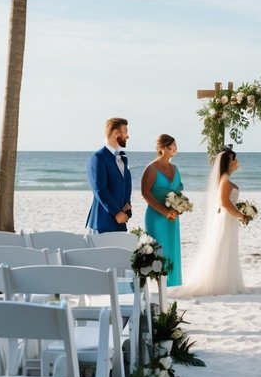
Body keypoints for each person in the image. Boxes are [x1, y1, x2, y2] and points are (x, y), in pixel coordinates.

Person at [178, 146, 249, 296]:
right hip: (225, 219)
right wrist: (241, 215)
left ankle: (226, 280)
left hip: (229, 219)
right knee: (222, 248)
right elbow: (225, 203)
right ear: (228, 162)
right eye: (234, 159)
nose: (237, 162)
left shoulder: (225, 180)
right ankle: (219, 283)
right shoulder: (224, 180)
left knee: (227, 249)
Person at [142, 134, 183, 286]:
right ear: (161, 148)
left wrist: (178, 209)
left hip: (172, 218)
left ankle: (172, 285)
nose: (174, 149)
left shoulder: (175, 169)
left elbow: (178, 193)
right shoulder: (151, 168)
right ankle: (157, 286)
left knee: (171, 248)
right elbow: (145, 193)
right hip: (156, 216)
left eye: (175, 146)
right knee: (158, 251)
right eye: (170, 146)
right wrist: (164, 212)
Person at [86, 117, 132, 232]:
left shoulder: (122, 159)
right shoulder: (98, 157)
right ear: (116, 133)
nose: (127, 136)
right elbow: (99, 189)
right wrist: (117, 212)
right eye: (125, 131)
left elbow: (122, 185)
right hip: (102, 223)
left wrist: (127, 205)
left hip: (120, 223)